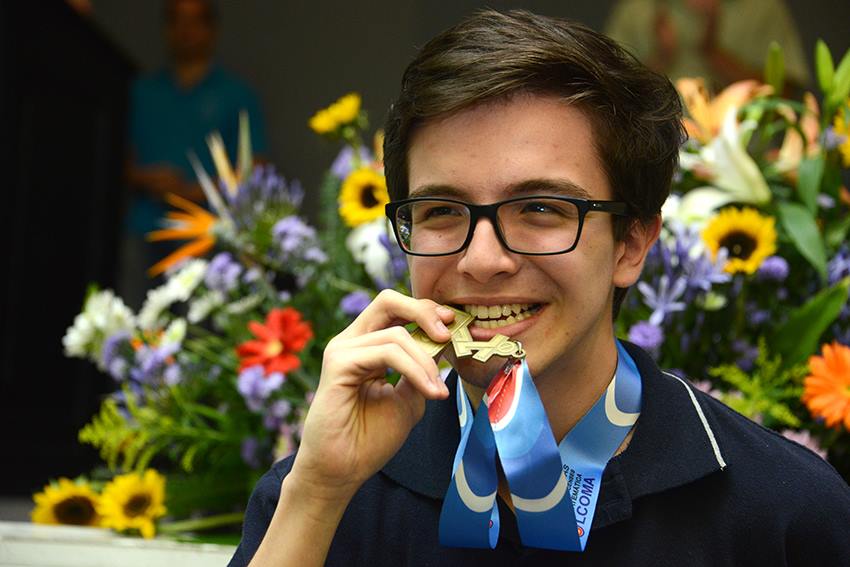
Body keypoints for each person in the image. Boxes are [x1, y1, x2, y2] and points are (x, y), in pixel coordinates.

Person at [230, 10, 850, 566]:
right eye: (442, 211)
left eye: (541, 209)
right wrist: (316, 496)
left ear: (632, 243)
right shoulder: (329, 489)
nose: (481, 260)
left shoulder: (785, 512)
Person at [122, 0, 266, 302]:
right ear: (167, 28)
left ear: (211, 29)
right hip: (143, 227)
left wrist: (190, 191)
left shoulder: (236, 94)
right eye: (177, 20)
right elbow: (115, 158)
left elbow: (253, 169)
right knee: (134, 320)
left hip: (204, 235)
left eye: (195, 21)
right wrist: (145, 179)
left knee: (198, 330)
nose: (186, 30)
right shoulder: (141, 91)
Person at [605, 0, 811, 90]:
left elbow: (782, 100)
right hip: (649, 158)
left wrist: (713, 53)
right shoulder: (637, 9)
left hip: (741, 164)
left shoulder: (763, 8)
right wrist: (660, 59)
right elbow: (606, 98)